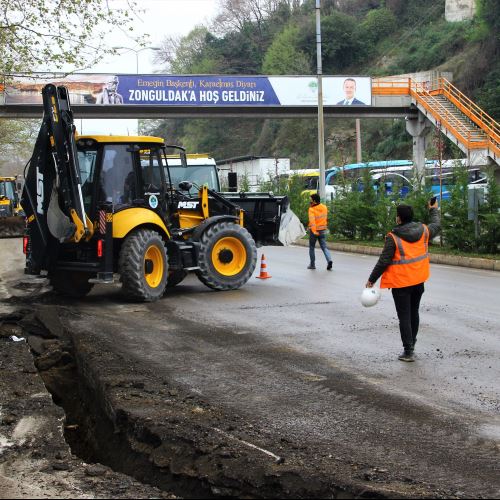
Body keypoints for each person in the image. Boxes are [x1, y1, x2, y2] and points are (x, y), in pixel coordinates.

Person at [365, 200, 441, 362]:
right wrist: (433, 209)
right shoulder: (424, 231)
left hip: (401, 284)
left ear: (399, 219)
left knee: (404, 317)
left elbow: (383, 261)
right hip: (418, 281)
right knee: (414, 313)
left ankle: (408, 351)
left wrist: (371, 280)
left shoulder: (393, 237)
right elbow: (436, 225)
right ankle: (411, 344)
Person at [308, 193, 333, 271]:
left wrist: (314, 231)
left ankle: (312, 265)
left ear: (314, 201)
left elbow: (312, 222)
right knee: (324, 247)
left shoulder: (311, 209)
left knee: (311, 248)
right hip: (322, 230)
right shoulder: (324, 207)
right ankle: (329, 260)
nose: (310, 201)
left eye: (311, 200)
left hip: (314, 231)